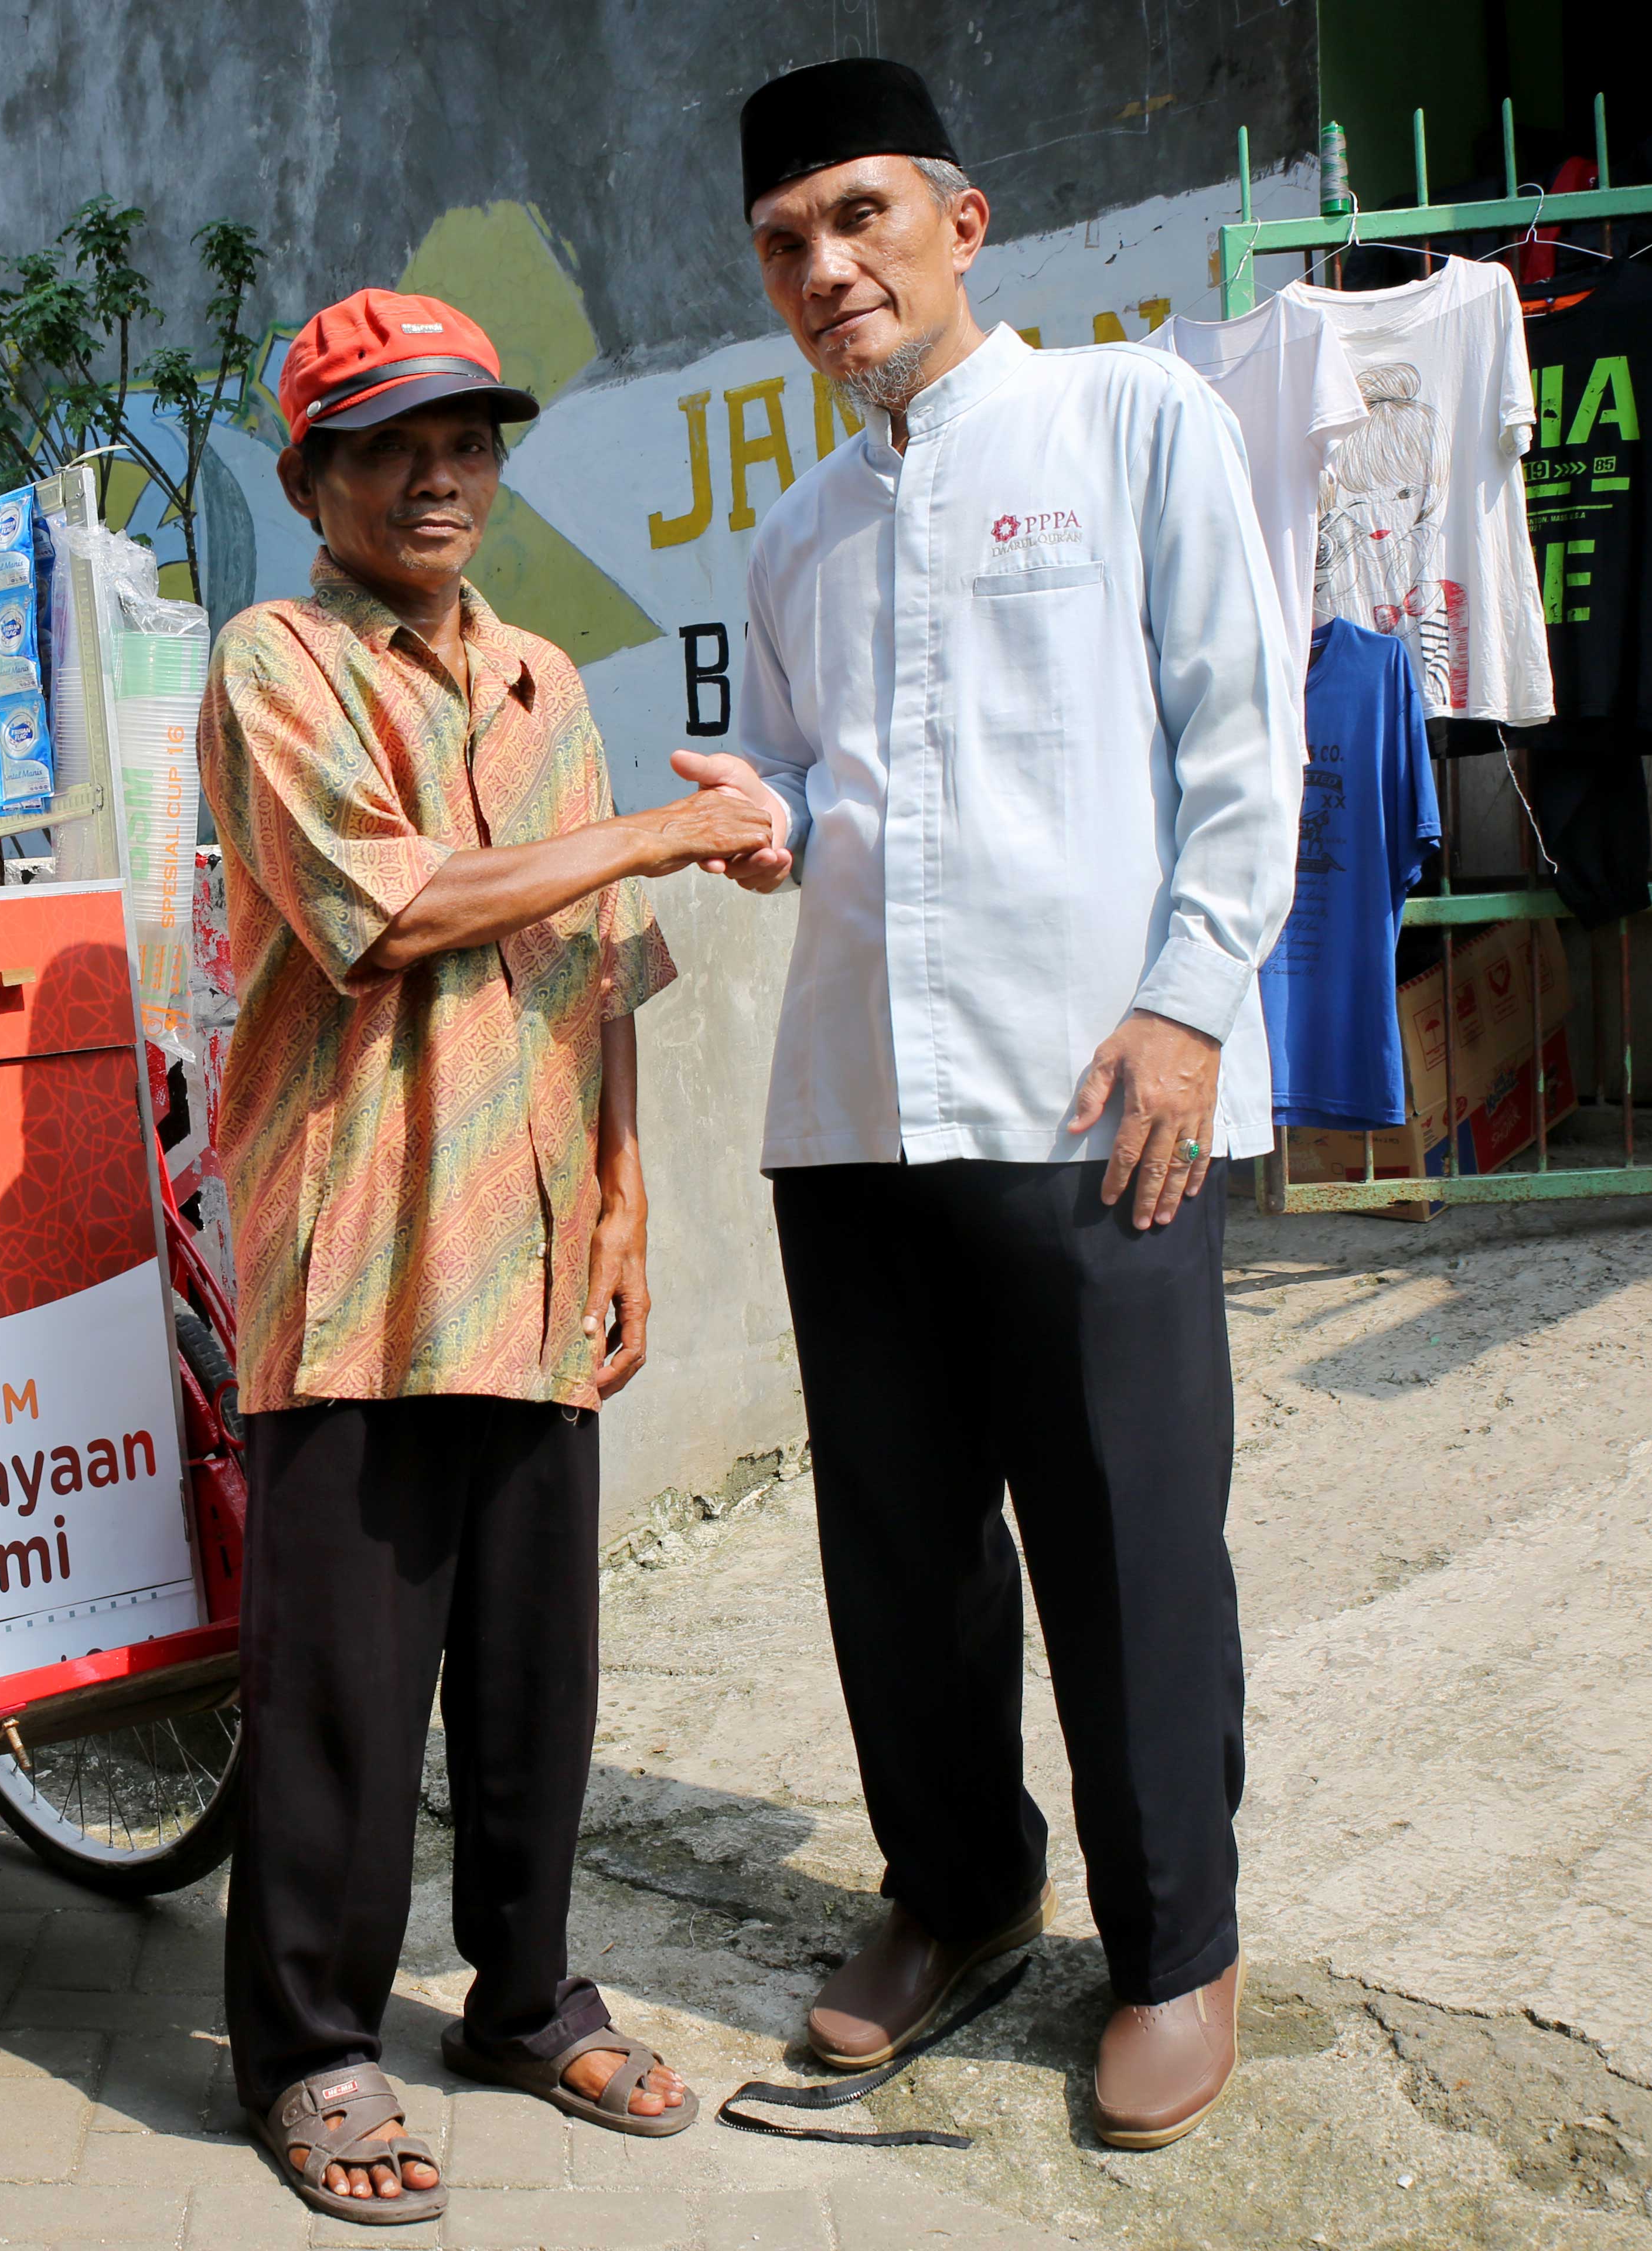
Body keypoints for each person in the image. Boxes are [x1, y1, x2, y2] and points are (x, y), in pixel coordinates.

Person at [672, 60, 1302, 2149]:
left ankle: (1175, 1947)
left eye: (859, 216)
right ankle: (960, 1889)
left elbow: (1241, 735)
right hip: (855, 1114)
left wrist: (1191, 1011)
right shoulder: (797, 534)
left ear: (962, 215)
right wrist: (770, 828)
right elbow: (814, 786)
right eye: (786, 243)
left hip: (1090, 1090)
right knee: (902, 1563)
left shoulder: (1130, 424)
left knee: (1129, 1547)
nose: (826, 268)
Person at [201, 285, 770, 2224]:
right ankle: (311, 2048)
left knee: (536, 1672)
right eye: (392, 444)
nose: (441, 474)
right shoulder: (273, 662)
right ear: (315, 478)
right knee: (346, 1688)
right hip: (358, 1247)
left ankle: (521, 2002)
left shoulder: (545, 676)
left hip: (528, 1239)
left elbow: (598, 977)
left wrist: (623, 1204)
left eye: (470, 439)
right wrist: (647, 841)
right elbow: (397, 908)